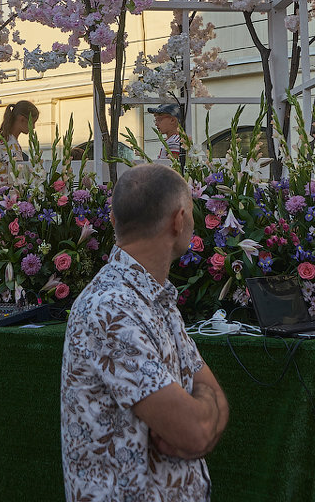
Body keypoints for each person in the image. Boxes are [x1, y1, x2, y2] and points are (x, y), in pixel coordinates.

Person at [61, 163, 227, 502]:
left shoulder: (153, 297)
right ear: (178, 219)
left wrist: (202, 410)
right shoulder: (112, 308)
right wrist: (203, 415)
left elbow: (208, 393)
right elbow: (195, 432)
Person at [0, 100, 39, 194]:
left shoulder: (2, 139)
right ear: (22, 119)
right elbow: (14, 175)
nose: (33, 127)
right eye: (32, 122)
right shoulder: (12, 145)